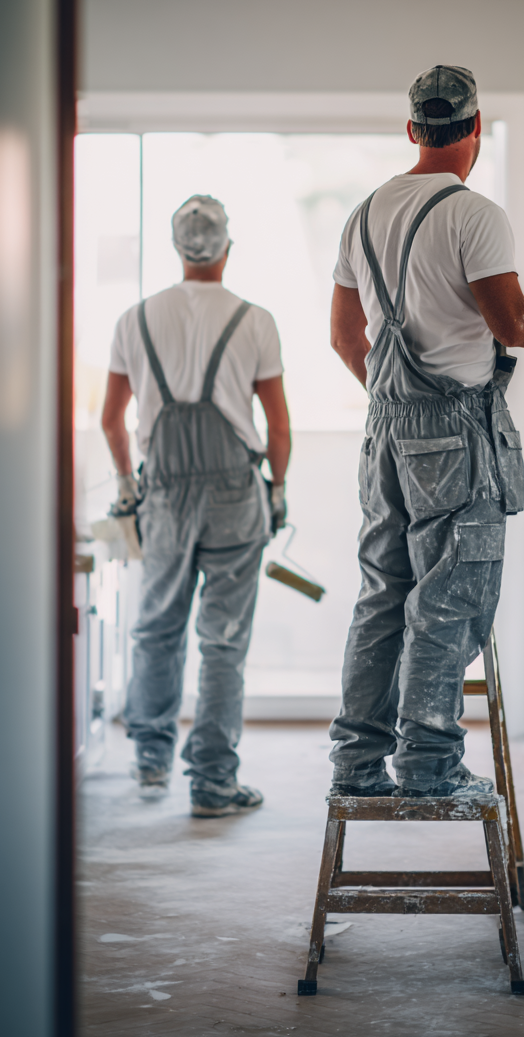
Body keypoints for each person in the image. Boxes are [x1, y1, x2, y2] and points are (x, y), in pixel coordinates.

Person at [328, 65, 524, 798]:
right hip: (457, 434)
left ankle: (358, 767)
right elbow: (516, 325)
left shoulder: (363, 214)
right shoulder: (474, 214)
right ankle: (429, 769)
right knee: (449, 597)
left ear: (411, 130)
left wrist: (399, 408)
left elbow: (345, 338)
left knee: (381, 595)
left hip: (383, 433)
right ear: (475, 127)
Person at [101, 195, 291, 818]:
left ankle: (150, 759)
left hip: (165, 494)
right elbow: (278, 425)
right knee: (223, 641)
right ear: (227, 249)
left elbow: (111, 421)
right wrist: (279, 489)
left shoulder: (135, 319)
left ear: (178, 250)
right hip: (237, 494)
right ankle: (212, 783)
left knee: (156, 628)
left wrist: (129, 485)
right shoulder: (254, 319)